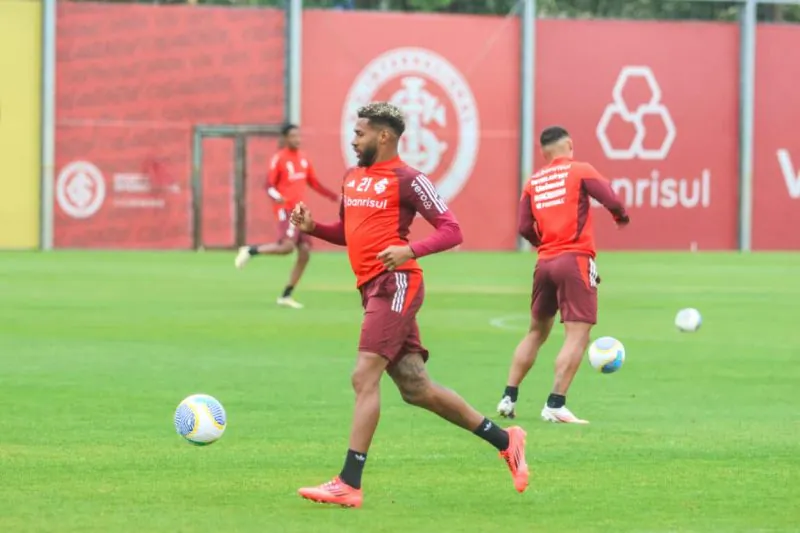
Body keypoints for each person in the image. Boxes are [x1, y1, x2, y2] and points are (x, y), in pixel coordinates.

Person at [290, 102, 529, 508]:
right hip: (372, 288)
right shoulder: (354, 179)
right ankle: (506, 440)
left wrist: (409, 250)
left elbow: (453, 230)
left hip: (397, 284)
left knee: (363, 375)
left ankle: (349, 482)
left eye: (360, 132)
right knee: (417, 389)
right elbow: (350, 233)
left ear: (384, 136)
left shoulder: (409, 179)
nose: (353, 139)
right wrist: (314, 228)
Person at [496, 126, 630, 424]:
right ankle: (555, 403)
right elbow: (611, 198)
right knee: (578, 333)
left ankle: (508, 396)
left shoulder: (533, 182)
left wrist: (543, 244)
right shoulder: (580, 171)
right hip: (576, 259)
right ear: (569, 144)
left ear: (544, 152)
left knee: (536, 332)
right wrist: (621, 217)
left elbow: (523, 227)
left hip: (544, 262)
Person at [234, 123, 338, 309]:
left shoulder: (304, 159)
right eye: (293, 136)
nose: (297, 139)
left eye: (298, 136)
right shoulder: (279, 158)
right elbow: (268, 185)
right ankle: (250, 250)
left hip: (299, 211)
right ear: (284, 138)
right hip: (286, 209)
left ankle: (286, 295)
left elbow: (313, 183)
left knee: (304, 253)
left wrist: (334, 196)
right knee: (287, 247)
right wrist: (278, 198)